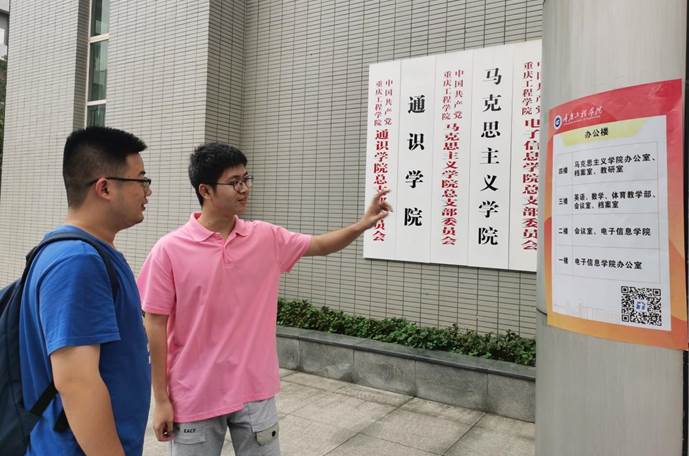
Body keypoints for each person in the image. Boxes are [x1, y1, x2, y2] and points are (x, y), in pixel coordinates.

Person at [138, 142, 390, 456]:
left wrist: (363, 224)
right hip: (194, 394)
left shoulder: (266, 237)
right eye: (234, 182)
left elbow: (321, 245)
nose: (245, 188)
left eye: (246, 179)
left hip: (255, 390)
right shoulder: (169, 250)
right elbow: (155, 326)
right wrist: (161, 399)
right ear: (205, 190)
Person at [19, 126, 153, 455]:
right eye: (141, 180)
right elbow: (77, 382)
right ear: (104, 187)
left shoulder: (87, 252)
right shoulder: (77, 261)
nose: (148, 191)